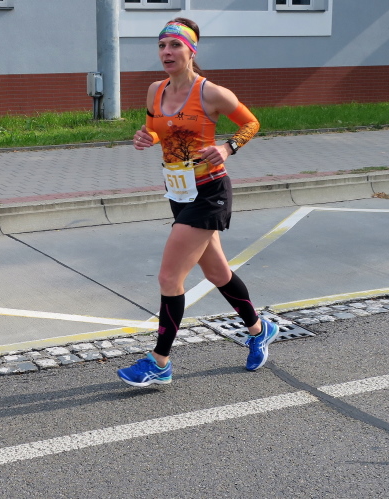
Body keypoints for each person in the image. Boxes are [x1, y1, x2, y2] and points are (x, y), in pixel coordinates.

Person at [117, 18, 279, 387]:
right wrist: (146, 137)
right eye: (162, 46)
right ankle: (260, 330)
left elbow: (251, 123)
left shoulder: (211, 93)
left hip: (210, 193)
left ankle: (159, 362)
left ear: (191, 51)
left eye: (175, 45)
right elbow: (157, 130)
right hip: (179, 192)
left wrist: (228, 146)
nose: (167, 52)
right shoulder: (155, 91)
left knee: (169, 277)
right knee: (218, 274)